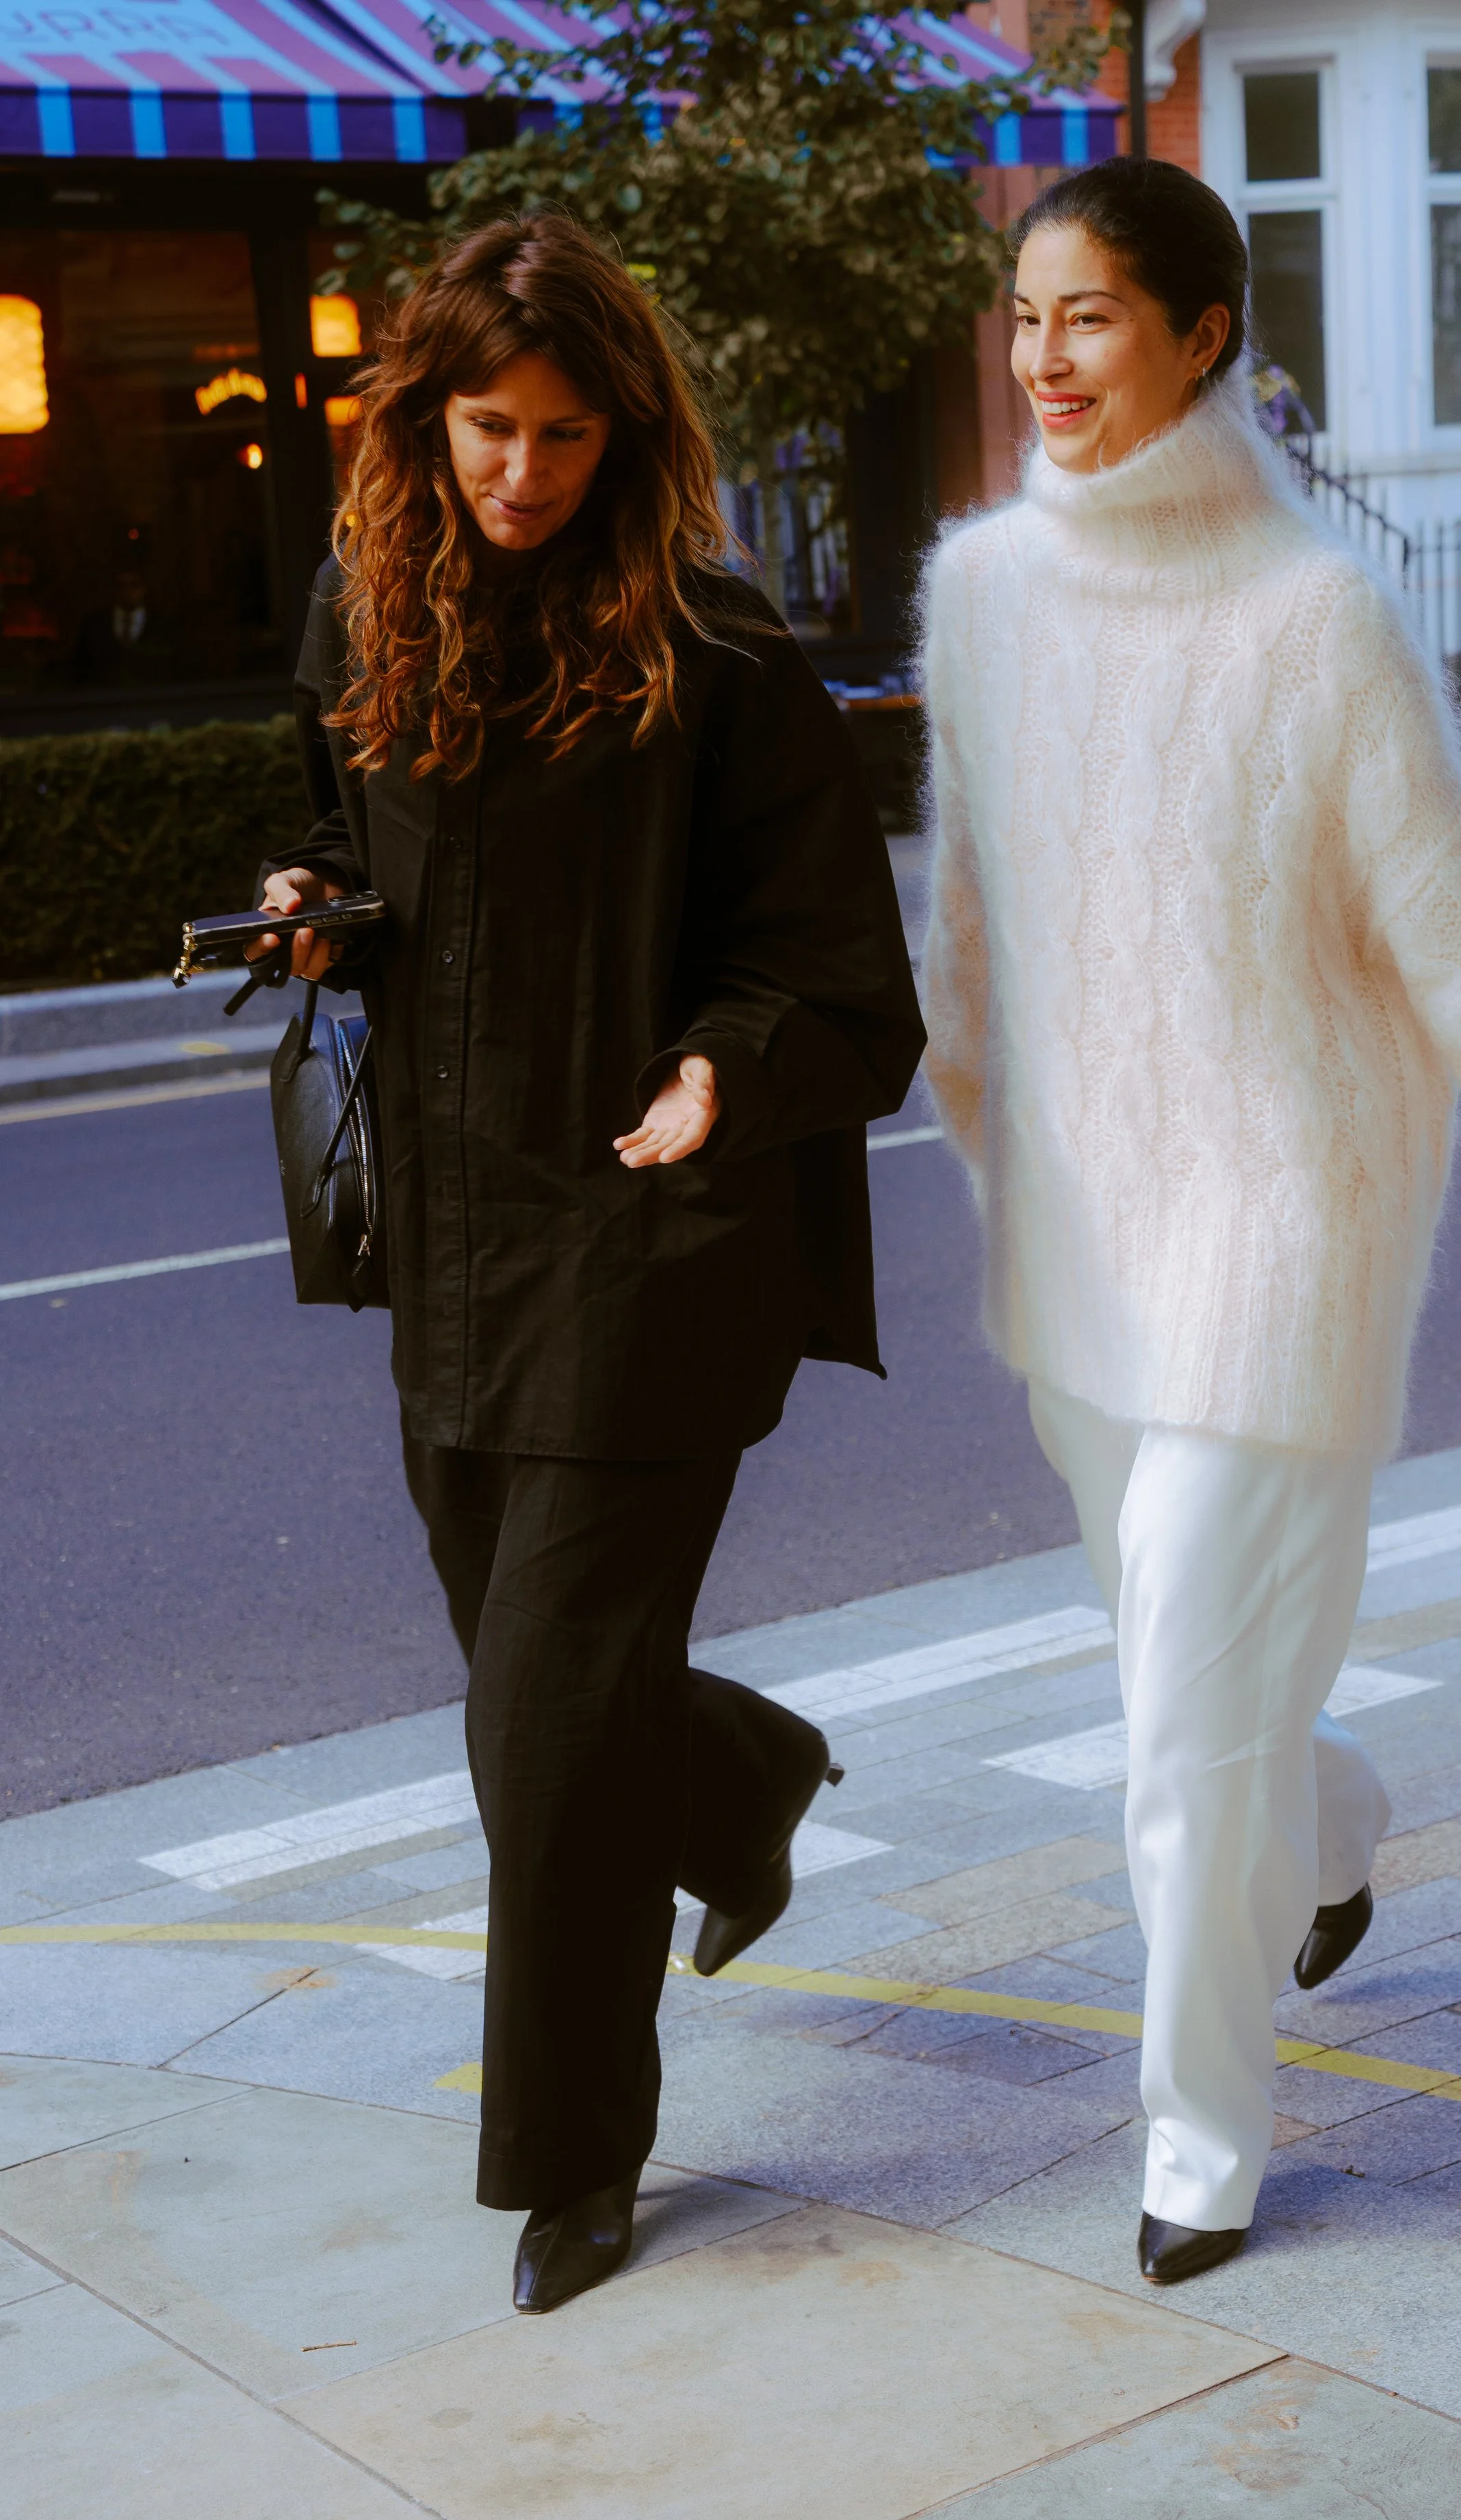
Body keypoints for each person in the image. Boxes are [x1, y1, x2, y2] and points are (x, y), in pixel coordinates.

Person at [920, 157, 1461, 2287]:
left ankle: (1197, 2143)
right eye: (1026, 315)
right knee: (1205, 1694)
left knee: (1171, 1726)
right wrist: (976, 1115)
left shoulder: (1309, 619)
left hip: (1282, 1226)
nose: (1045, 359)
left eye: (1090, 317)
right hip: (1078, 1235)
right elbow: (971, 901)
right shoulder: (978, 594)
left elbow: (1459, 937)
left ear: (1202, 339)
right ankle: (1332, 1827)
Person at [248, 213, 924, 2315]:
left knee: (540, 1723)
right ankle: (743, 1775)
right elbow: (356, 855)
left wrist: (729, 1070)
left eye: (560, 434)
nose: (520, 472)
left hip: (653, 1238)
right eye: (483, 428)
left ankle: (574, 2157)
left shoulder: (714, 655)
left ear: (625, 437)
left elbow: (838, 979)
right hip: (452, 1245)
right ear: (423, 418)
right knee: (546, 1682)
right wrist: (308, 904)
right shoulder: (368, 613)